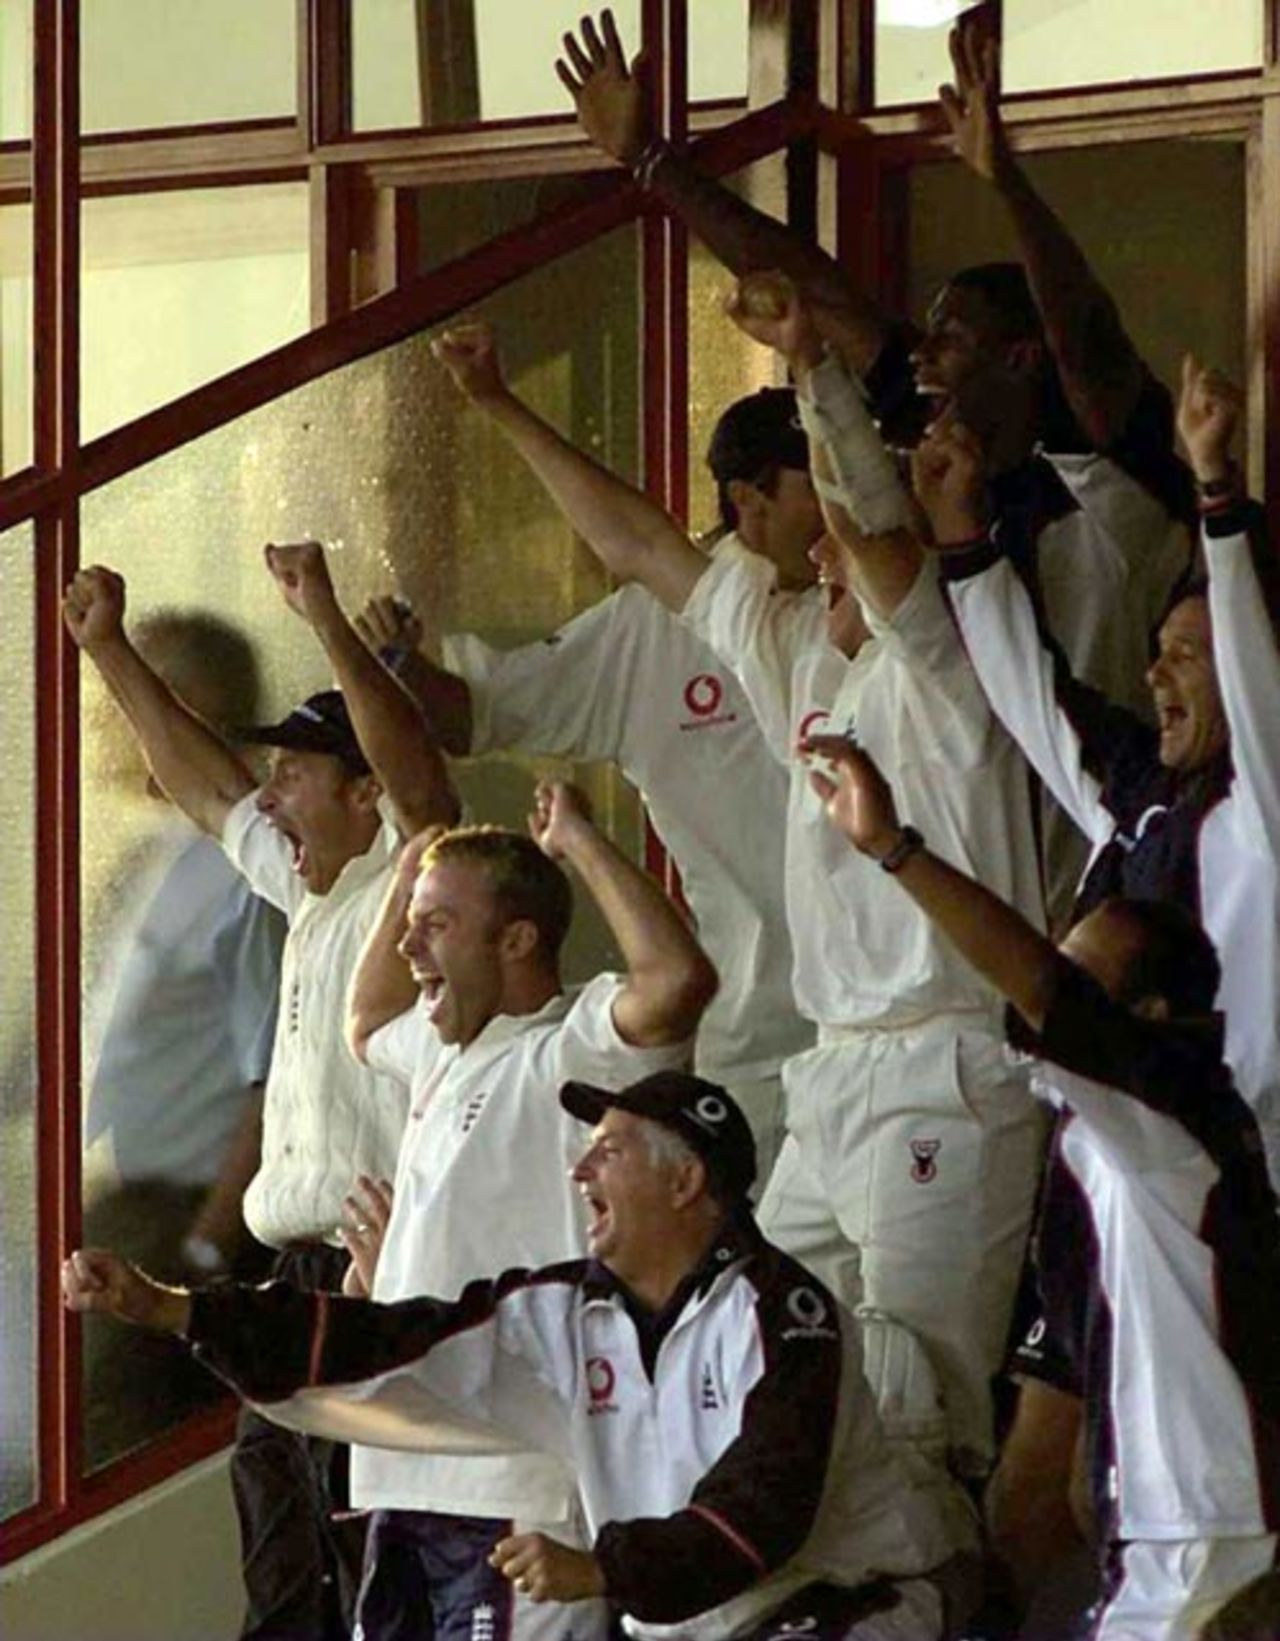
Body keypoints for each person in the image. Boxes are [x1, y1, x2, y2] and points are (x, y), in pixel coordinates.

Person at [424, 318, 1046, 1494]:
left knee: (919, 1410)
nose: (815, 569)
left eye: (841, 559)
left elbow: (866, 524)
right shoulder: (804, 663)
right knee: (758, 1350)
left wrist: (813, 369)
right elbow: (648, 552)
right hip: (828, 1080)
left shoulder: (946, 667)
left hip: (945, 1075)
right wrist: (499, 404)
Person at [557, 8, 1193, 923]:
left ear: (1019, 357)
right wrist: (652, 162)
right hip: (987, 915)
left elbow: (1085, 338)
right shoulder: (953, 458)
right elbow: (812, 290)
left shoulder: (1114, 491)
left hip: (1114, 897)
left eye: (952, 339)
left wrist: (1006, 184)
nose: (922, 357)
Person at [63, 1072, 973, 1641]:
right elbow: (394, 1341)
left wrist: (605, 1569)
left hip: (840, 1611)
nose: (580, 1174)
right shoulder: (566, 1307)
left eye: (608, 1152)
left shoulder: (787, 1312)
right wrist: (177, 1310)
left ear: (686, 1180)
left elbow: (765, 1506)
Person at [802, 732, 1280, 1641]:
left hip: (1220, 1560)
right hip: (1146, 1559)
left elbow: (1037, 983)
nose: (1038, 1001)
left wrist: (895, 850)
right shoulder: (1092, 1151)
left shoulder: (1181, 1116)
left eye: (1080, 976)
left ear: (1143, 1020)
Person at [62, 544, 457, 1641]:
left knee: (361, 1556)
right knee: (280, 1545)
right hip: (292, 1273)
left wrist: (325, 615)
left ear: (362, 795)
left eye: (296, 771)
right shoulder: (305, 885)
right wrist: (108, 652)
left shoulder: (406, 885)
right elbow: (203, 785)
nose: (269, 787)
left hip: (374, 1269)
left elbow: (423, 788)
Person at [363, 345, 818, 1187]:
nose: (849, 504)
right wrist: (399, 665)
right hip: (753, 1037)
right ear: (751, 504)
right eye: (820, 478)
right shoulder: (655, 625)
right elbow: (481, 711)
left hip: (897, 1019)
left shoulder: (862, 613)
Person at [337, 766, 716, 1640]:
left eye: (436, 925)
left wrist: (579, 842)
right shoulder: (442, 1054)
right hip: (401, 1476)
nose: (408, 944)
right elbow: (363, 1023)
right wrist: (407, 879)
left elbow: (678, 978)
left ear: (515, 941)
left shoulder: (566, 1055)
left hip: (514, 1493)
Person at [915, 357, 1280, 1186]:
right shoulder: (1140, 796)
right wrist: (963, 539)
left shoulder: (1264, 803)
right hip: (1119, 1165)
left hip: (1250, 1175)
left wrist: (1215, 490)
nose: (1156, 675)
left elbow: (1259, 675)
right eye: (1158, 652)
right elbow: (1031, 694)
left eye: (1187, 653)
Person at [80, 610, 284, 1468]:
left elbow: (275, 1076)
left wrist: (207, 1243)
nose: (97, 720)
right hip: (117, 1208)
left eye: (120, 693)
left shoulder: (245, 872)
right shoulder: (149, 858)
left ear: (186, 706)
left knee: (119, 1445)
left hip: (186, 1227)